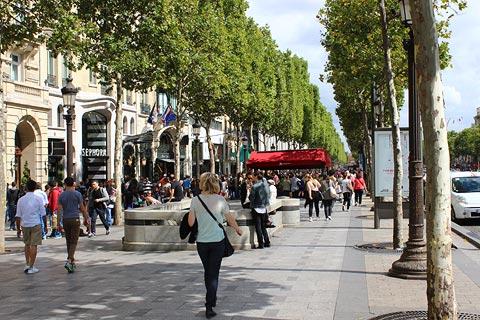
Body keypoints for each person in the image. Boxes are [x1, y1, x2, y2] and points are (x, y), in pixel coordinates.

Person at [188, 172, 242, 319]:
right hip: (217, 242)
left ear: (202, 183)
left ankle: (211, 299)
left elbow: (191, 223)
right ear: (215, 184)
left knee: (208, 271)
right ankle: (209, 304)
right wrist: (237, 228)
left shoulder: (195, 200)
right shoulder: (220, 200)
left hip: (202, 243)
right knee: (213, 273)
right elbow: (229, 218)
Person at [58, 177, 90, 273]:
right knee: (74, 241)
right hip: (75, 218)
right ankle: (69, 259)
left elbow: (59, 210)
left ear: (65, 184)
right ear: (73, 184)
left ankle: (71, 262)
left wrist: (59, 223)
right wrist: (86, 218)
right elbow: (82, 208)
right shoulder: (77, 194)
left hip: (65, 219)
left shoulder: (61, 195)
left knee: (68, 240)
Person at [15, 180, 47, 274]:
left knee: (27, 244)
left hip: (25, 224)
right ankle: (31, 266)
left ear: (26, 188)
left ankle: (27, 263)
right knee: (34, 245)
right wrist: (45, 226)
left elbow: (18, 216)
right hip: (36, 223)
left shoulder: (21, 200)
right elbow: (43, 214)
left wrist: (18, 228)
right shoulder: (38, 198)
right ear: (35, 188)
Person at [249, 172, 271, 249]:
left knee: (258, 227)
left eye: (253, 176)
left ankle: (261, 244)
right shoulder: (266, 185)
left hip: (256, 208)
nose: (252, 178)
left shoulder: (254, 186)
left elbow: (251, 197)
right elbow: (269, 195)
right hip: (264, 207)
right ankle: (267, 242)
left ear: (256, 177)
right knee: (263, 226)